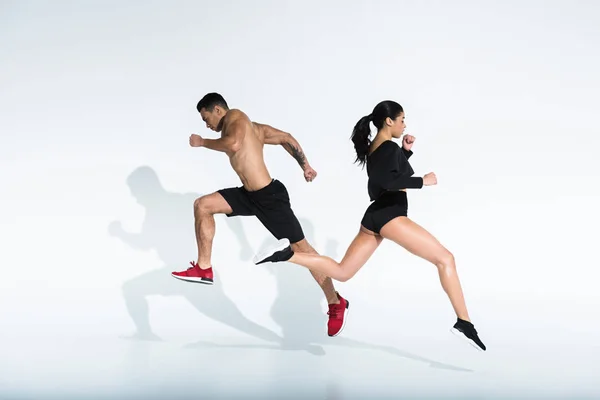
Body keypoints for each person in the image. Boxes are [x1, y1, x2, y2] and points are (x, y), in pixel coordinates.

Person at [253, 100, 486, 351]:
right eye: (402, 120)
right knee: (446, 259)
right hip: (389, 216)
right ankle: (464, 322)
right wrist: (424, 181)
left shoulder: (379, 147)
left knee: (343, 272)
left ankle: (286, 255)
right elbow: (388, 180)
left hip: (375, 216)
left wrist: (405, 151)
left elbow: (388, 174)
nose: (404, 125)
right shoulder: (386, 147)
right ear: (389, 121)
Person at [171, 92, 349, 337]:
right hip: (249, 195)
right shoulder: (253, 128)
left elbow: (232, 144)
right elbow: (285, 138)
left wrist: (202, 142)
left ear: (218, 110)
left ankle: (335, 302)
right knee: (203, 205)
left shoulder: (236, 117)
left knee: (303, 250)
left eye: (206, 118)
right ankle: (204, 268)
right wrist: (305, 165)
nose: (207, 125)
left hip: (269, 198)